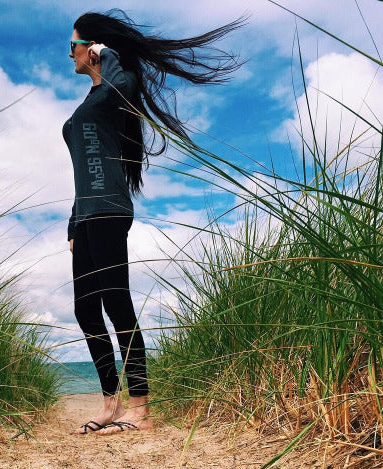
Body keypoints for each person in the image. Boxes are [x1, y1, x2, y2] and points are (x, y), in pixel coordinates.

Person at [64, 9, 243, 435]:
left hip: (110, 210)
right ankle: (111, 402)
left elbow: (124, 86)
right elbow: (82, 170)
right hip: (86, 215)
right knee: (86, 309)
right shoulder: (90, 102)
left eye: (72, 46)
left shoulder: (113, 89)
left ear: (91, 49)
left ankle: (140, 405)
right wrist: (73, 224)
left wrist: (107, 57)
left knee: (116, 302)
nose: (67, 54)